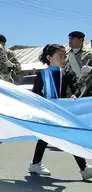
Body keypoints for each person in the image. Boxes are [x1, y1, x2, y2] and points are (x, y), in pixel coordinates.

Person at [28, 44, 92, 180]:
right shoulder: (42, 74)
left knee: (70, 136)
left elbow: (75, 88)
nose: (63, 59)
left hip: (62, 110)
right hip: (47, 110)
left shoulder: (65, 73)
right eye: (60, 56)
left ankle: (84, 168)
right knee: (46, 138)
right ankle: (35, 164)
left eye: (64, 56)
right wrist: (42, 103)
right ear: (49, 57)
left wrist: (74, 95)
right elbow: (36, 93)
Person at [64, 31, 92, 97]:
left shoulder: (89, 53)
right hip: (75, 91)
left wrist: (91, 69)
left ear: (81, 40)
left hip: (89, 89)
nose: (70, 41)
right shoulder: (67, 55)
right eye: (69, 39)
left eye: (72, 39)